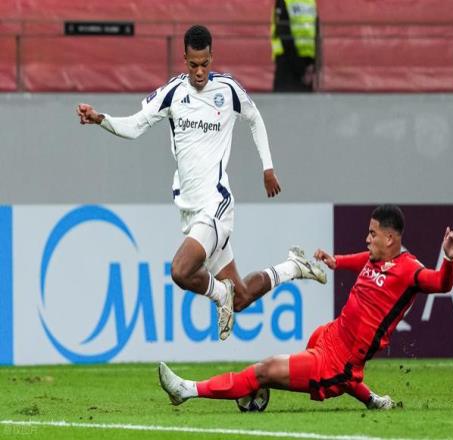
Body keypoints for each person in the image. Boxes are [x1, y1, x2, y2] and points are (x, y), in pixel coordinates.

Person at [76, 25, 326, 342]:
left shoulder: (228, 90)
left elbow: (255, 119)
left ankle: (220, 295)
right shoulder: (172, 93)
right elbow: (135, 126)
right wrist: (100, 119)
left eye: (204, 64)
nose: (199, 72)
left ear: (212, 58)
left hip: (216, 205)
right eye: (193, 64)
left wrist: (268, 168)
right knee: (241, 297)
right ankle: (292, 267)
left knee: (180, 270)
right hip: (191, 210)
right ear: (184, 59)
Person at [158, 205, 453, 410]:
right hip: (330, 335)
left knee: (265, 370)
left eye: (373, 234)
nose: (367, 238)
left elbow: (441, 283)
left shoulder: (410, 270)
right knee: (311, 342)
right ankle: (372, 400)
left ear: (391, 238)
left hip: (340, 361)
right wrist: (336, 261)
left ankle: (188, 390)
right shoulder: (376, 259)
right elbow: (361, 260)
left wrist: (448, 258)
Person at [271, 0, 318, 92]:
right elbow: (284, 34)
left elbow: (316, 32)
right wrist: (302, 70)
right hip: (287, 65)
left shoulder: (311, 2)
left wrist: (312, 64)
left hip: (308, 66)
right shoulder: (284, 1)